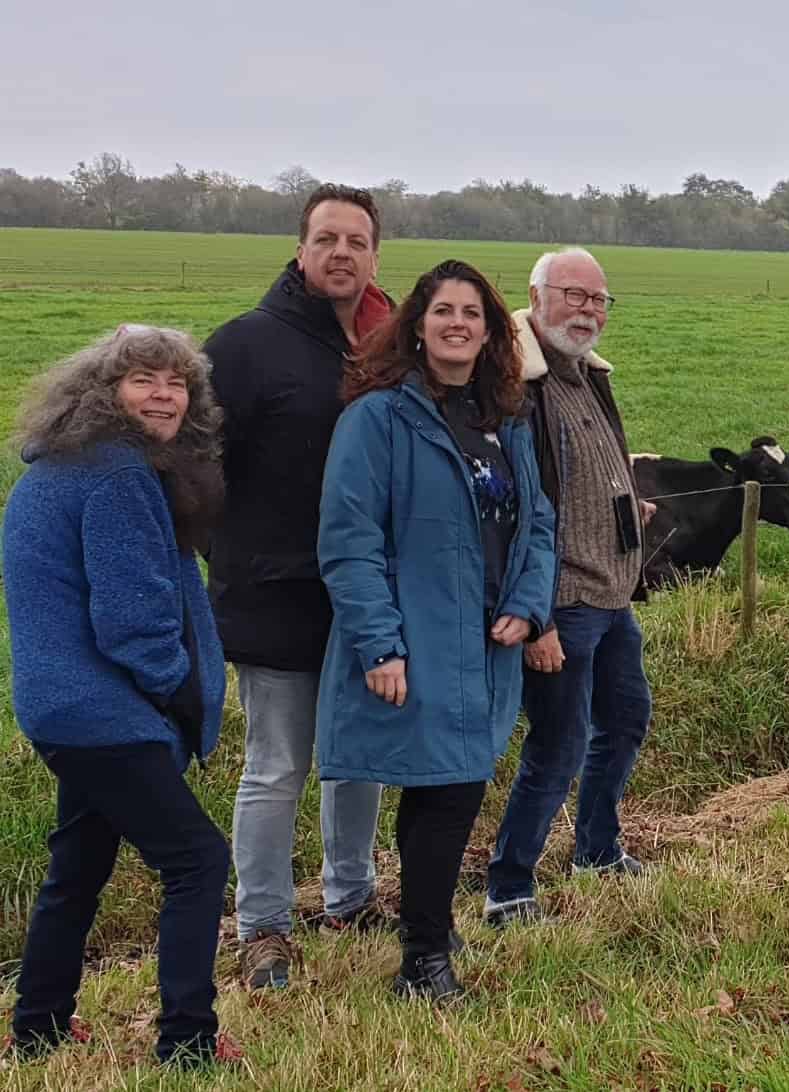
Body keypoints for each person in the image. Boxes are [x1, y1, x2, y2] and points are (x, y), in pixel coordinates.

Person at [316, 260, 557, 999]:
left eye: (473, 314)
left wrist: (528, 600)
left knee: (441, 788)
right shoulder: (379, 417)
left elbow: (538, 523)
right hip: (418, 638)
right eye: (443, 310)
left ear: (491, 333)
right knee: (448, 790)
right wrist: (379, 642)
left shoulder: (504, 421)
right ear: (416, 325)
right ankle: (423, 960)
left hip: (488, 643)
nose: (458, 323)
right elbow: (348, 538)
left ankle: (428, 926)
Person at [3, 326, 238, 1066]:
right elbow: (134, 624)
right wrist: (183, 700)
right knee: (197, 860)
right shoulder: (115, 473)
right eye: (144, 380)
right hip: (107, 713)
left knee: (78, 865)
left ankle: (38, 1025)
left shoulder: (66, 464)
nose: (164, 395)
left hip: (62, 708)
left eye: (177, 383)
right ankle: (187, 1043)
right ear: (105, 393)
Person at [205, 184, 392, 989]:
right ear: (300, 248)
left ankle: (351, 896)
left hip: (362, 599)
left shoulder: (381, 347)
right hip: (272, 592)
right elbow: (194, 468)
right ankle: (264, 926)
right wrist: (235, 557)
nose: (341, 252)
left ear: (374, 256)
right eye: (327, 238)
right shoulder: (245, 346)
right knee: (277, 763)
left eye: (356, 240)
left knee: (356, 759)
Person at [485, 247, 655, 928]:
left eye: (598, 300)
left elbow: (582, 476)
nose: (587, 311)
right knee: (556, 744)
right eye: (573, 295)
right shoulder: (516, 387)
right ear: (534, 294)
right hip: (562, 602)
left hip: (611, 594)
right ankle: (509, 887)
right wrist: (538, 616)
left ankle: (597, 850)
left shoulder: (586, 377)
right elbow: (517, 509)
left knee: (625, 719)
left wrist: (625, 504)